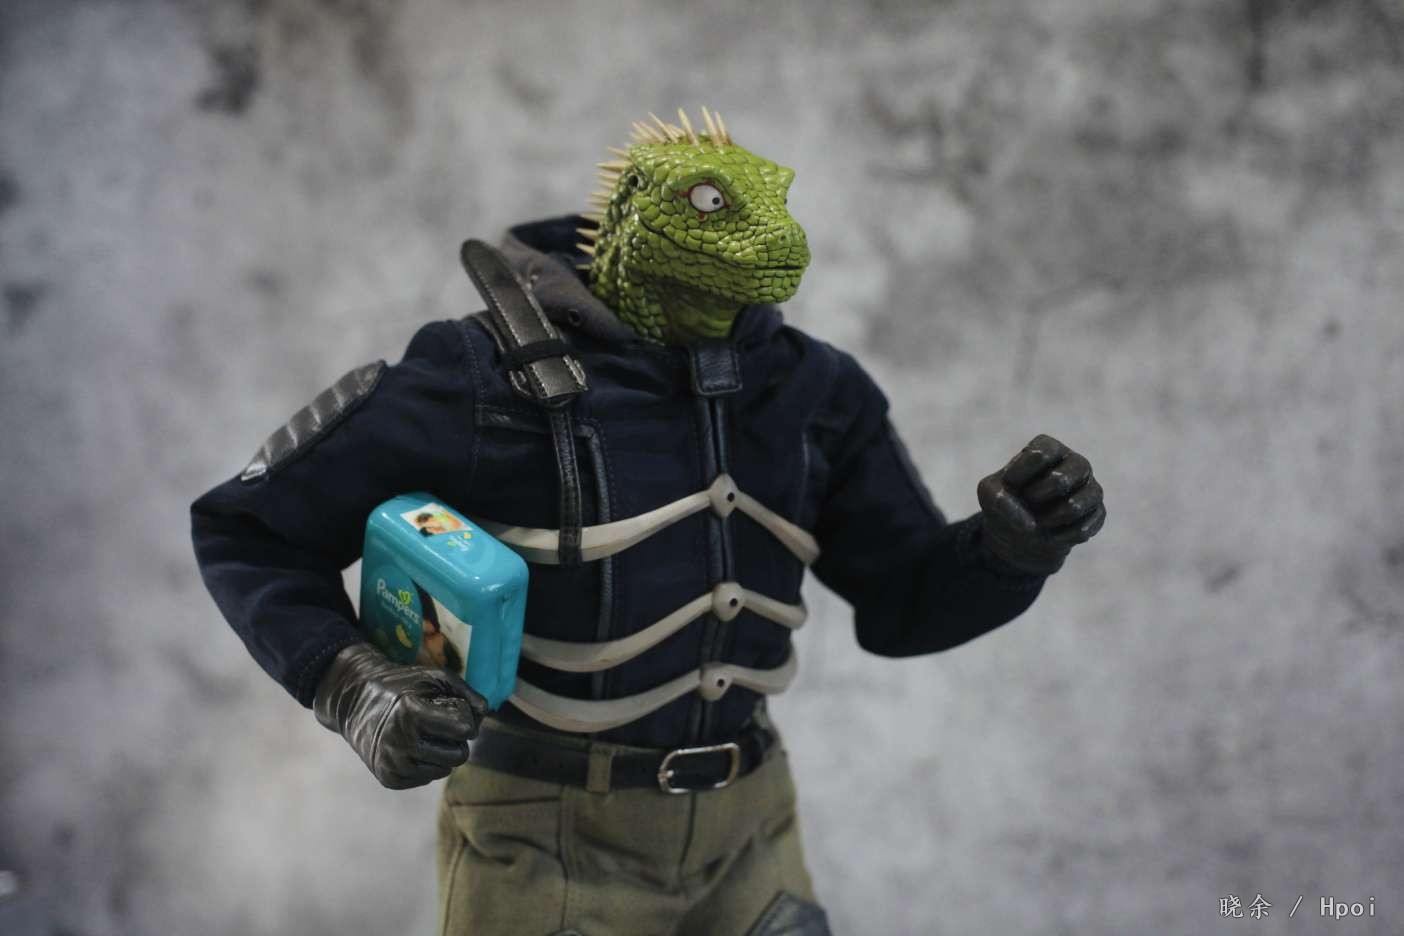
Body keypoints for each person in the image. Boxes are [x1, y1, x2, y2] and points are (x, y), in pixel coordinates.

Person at [191, 109, 1105, 936]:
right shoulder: (480, 379)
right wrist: (353, 685)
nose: (780, 236)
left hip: (752, 830)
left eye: (775, 203)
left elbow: (902, 602)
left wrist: (1008, 551)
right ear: (638, 212)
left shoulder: (814, 391)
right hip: (543, 836)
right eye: (711, 204)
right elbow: (249, 527)